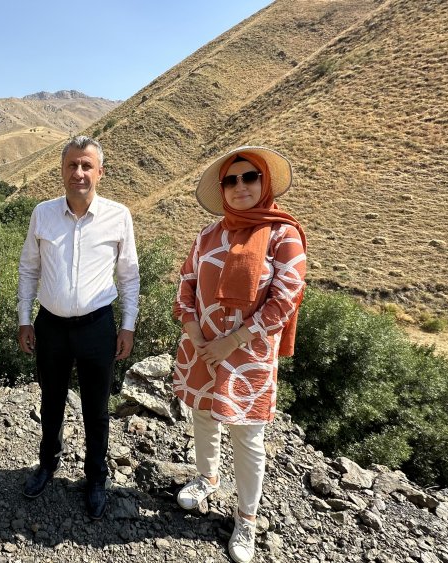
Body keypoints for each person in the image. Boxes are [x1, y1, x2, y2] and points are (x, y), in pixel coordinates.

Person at [172, 146, 307, 562]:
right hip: (201, 347)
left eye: (250, 177)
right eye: (231, 180)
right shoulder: (207, 235)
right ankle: (207, 477)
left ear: (265, 183)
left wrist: (230, 343)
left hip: (248, 356)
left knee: (247, 436)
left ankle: (246, 517)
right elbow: (186, 285)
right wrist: (197, 335)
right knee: (203, 415)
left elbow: (285, 299)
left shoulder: (283, 235)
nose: (240, 185)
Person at [17, 136, 140, 520]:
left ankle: (96, 478)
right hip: (51, 326)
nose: (79, 172)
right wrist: (24, 319)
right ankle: (47, 465)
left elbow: (129, 276)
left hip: (97, 327)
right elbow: (29, 268)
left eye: (87, 165)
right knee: (51, 401)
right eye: (72, 165)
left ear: (100, 172)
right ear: (62, 170)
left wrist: (128, 326)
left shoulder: (118, 216)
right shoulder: (43, 213)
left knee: (96, 409)